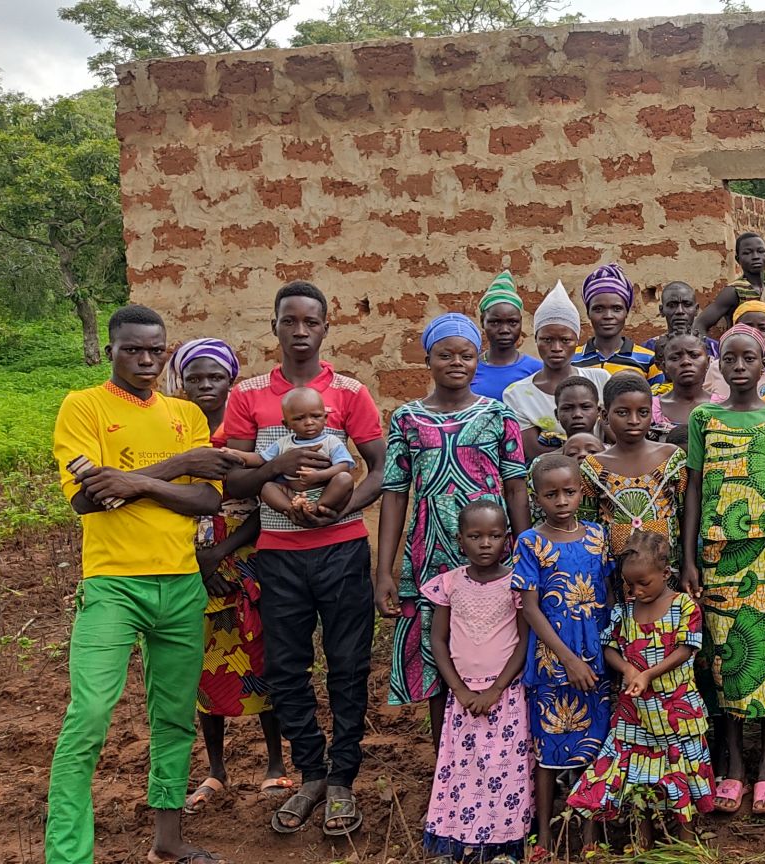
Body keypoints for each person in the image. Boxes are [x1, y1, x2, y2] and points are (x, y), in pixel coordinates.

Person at [47, 305, 231, 864]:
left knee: (174, 717)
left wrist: (131, 482)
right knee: (89, 716)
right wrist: (179, 465)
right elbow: (87, 499)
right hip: (113, 585)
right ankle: (67, 855)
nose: (147, 359)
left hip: (181, 584)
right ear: (111, 352)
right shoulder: (84, 406)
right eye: (133, 349)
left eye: (156, 349)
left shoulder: (185, 414)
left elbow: (207, 499)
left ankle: (167, 841)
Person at [221, 281, 386, 838]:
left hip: (341, 551)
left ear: (324, 328)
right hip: (278, 556)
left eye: (310, 322)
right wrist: (279, 472)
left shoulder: (350, 392)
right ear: (273, 326)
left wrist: (339, 509)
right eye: (288, 321)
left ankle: (343, 777)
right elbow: (235, 479)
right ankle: (310, 773)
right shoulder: (247, 395)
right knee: (286, 668)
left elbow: (380, 469)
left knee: (348, 664)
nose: (299, 331)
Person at [377, 313, 533, 742]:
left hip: (494, 556)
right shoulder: (407, 419)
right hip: (431, 554)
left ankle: (500, 756)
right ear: (428, 360)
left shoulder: (498, 415)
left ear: (477, 359)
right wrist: (384, 570)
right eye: (445, 355)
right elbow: (395, 494)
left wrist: (527, 553)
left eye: (466, 355)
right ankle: (444, 756)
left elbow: (516, 488)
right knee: (437, 652)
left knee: (497, 648)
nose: (456, 363)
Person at [680, 323, 765, 816]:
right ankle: (734, 765)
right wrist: (689, 558)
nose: (738, 367)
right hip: (718, 555)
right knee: (725, 658)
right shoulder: (704, 418)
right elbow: (694, 488)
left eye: (748, 358)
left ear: (764, 363)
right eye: (730, 359)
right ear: (720, 363)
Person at [169, 340, 291, 818]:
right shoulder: (175, 433)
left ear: (231, 382)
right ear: (182, 383)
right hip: (189, 564)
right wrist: (200, 563)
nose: (205, 386)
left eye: (215, 377)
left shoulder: (246, 433)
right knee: (204, 667)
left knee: (262, 658)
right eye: (195, 378)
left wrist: (221, 554)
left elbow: (266, 502)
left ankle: (276, 762)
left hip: (245, 562)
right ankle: (216, 769)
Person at [567, 531, 716, 846]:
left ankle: (688, 844)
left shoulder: (684, 606)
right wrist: (627, 669)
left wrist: (648, 674)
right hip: (635, 715)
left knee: (681, 775)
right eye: (629, 584)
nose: (635, 591)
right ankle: (642, 841)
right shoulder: (624, 612)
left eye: (643, 583)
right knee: (638, 777)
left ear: (665, 573)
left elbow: (686, 649)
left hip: (676, 712)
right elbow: (609, 647)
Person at [420, 499, 533, 862]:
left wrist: (496, 689)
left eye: (494, 535)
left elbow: (524, 641)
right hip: (464, 697)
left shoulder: (517, 583)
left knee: (504, 768)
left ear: (507, 539)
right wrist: (460, 689)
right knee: (464, 768)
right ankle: (462, 840)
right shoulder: (449, 584)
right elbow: (438, 640)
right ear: (460, 540)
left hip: (506, 694)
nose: (485, 543)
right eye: (475, 536)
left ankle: (503, 843)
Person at [513, 454, 613, 850]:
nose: (561, 501)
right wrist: (568, 659)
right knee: (548, 747)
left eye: (569, 492)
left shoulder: (598, 536)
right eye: (551, 494)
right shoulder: (530, 542)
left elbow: (608, 596)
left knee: (594, 743)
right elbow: (530, 608)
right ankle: (544, 835)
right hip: (552, 660)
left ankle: (590, 834)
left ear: (581, 492)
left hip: (596, 657)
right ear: (537, 497)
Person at [582, 372, 687, 566]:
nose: (634, 420)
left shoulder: (672, 457)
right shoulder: (593, 467)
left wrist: (688, 564)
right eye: (622, 412)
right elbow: (588, 526)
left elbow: (686, 514)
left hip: (667, 569)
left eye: (643, 412)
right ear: (604, 415)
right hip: (616, 570)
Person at [506, 282, 611, 461]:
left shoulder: (601, 380)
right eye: (547, 340)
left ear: (577, 340)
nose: (556, 348)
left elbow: (617, 437)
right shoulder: (518, 394)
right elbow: (533, 452)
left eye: (565, 340)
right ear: (536, 339)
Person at [256, 387, 357, 521]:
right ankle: (293, 509)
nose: (309, 422)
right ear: (286, 424)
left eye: (316, 416)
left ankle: (317, 506)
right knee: (267, 488)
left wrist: (319, 476)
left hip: (325, 491)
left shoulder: (331, 441)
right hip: (292, 494)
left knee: (345, 479)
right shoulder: (283, 443)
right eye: (299, 418)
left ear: (325, 418)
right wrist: (237, 454)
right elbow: (260, 458)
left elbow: (344, 466)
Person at [574, 264, 660, 383]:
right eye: (598, 309)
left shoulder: (649, 361)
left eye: (617, 309)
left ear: (626, 312)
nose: (608, 316)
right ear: (588, 313)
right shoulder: (571, 360)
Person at [470, 270, 543, 400]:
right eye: (495, 322)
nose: (504, 330)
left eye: (512, 322)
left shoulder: (537, 370)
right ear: (482, 322)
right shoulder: (470, 369)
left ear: (521, 322)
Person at [694, 232, 765, 333]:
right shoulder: (734, 291)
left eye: (761, 251)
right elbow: (699, 325)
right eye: (747, 253)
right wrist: (708, 343)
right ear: (738, 259)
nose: (756, 256)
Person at [654, 332, 718, 440]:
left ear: (708, 362)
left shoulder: (724, 406)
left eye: (694, 355)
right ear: (664, 366)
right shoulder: (650, 409)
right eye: (675, 358)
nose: (685, 362)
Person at [645, 281, 721, 366]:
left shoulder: (715, 349)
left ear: (696, 309)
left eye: (687, 305)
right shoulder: (647, 349)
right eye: (672, 305)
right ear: (661, 310)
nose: (680, 311)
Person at [554, 375, 603, 447]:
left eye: (585, 407)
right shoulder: (548, 456)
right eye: (567, 408)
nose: (577, 414)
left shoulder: (616, 453)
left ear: (598, 411)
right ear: (556, 414)